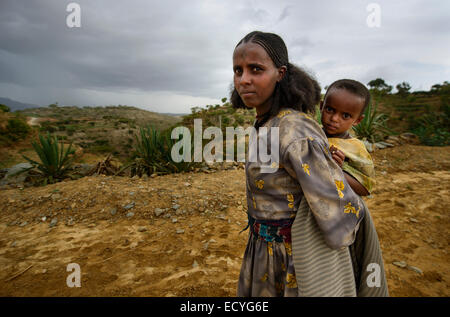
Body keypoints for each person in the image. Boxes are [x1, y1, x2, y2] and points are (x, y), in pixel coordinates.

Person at [231, 31, 385, 297]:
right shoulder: (268, 123)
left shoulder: (295, 130)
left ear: (280, 73)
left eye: (256, 69)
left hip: (294, 262)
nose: (244, 80)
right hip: (264, 252)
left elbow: (336, 208)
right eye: (238, 70)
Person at [321, 79, 375, 197]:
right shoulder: (310, 133)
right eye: (329, 110)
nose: (334, 118)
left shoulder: (356, 149)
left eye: (345, 115)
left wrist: (337, 170)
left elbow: (365, 189)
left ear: (358, 120)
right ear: (321, 106)